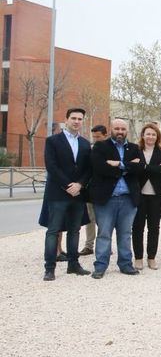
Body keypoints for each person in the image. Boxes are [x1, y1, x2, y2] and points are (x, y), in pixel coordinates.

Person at [42, 108, 93, 281]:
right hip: (57, 193)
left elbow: (88, 169)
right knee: (53, 231)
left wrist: (79, 185)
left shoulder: (86, 144)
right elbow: (51, 166)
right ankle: (49, 268)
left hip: (78, 194)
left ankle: (73, 265)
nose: (77, 121)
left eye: (80, 118)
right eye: (73, 118)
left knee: (74, 231)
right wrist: (67, 185)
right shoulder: (53, 141)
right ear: (66, 119)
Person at [88, 118, 143, 279]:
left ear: (127, 131)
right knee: (104, 233)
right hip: (107, 199)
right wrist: (127, 166)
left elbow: (140, 169)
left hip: (128, 199)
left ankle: (126, 264)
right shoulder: (100, 146)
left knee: (125, 234)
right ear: (111, 129)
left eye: (123, 129)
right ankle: (100, 266)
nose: (120, 132)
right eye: (117, 128)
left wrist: (117, 164)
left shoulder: (134, 148)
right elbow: (99, 168)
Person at [131, 123, 161, 271]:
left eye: (153, 134)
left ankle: (151, 257)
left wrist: (144, 167)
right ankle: (138, 257)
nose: (150, 137)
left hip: (156, 195)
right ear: (143, 135)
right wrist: (155, 169)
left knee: (154, 227)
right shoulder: (135, 150)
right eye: (148, 134)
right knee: (137, 227)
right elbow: (133, 169)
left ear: (157, 136)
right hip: (139, 194)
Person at [80, 124, 108, 255]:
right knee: (90, 219)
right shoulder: (90, 149)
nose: (96, 139)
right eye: (94, 137)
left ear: (105, 135)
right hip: (90, 190)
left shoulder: (111, 150)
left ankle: (105, 245)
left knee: (103, 220)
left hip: (105, 190)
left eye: (98, 137)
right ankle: (89, 246)